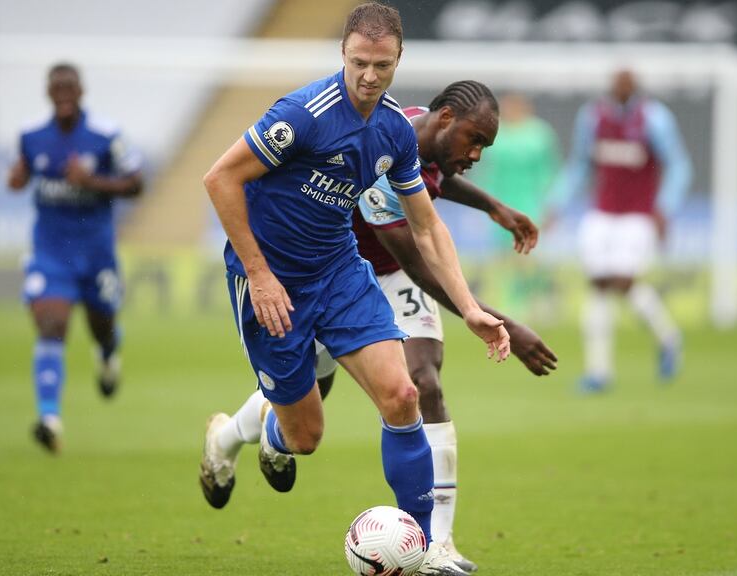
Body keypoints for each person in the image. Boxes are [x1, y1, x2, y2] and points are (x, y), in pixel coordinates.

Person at [199, 5, 509, 575]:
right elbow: (220, 178)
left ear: (398, 60)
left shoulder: (392, 128)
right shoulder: (303, 114)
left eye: (382, 65)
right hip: (273, 283)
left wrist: (469, 309)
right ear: (343, 54)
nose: (369, 76)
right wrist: (260, 274)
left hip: (339, 271)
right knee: (307, 435)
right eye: (359, 63)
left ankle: (419, 550)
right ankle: (239, 433)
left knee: (404, 396)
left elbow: (426, 224)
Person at [7, 63, 143, 454]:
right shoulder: (31, 135)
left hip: (96, 252)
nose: (64, 92)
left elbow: (137, 183)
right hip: (50, 252)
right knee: (51, 325)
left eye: (70, 86)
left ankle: (107, 352)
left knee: (101, 325)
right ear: (48, 92)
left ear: (81, 91)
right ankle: (49, 419)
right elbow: (22, 172)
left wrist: (93, 182)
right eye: (57, 87)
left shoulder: (106, 135)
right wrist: (17, 178)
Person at [554, 69, 691, 393]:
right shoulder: (593, 116)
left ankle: (668, 337)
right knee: (598, 285)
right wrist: (557, 202)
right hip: (601, 213)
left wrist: (665, 208)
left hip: (638, 216)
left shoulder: (654, 119)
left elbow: (679, 165)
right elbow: (579, 163)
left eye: (626, 84)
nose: (620, 88)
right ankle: (598, 372)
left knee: (624, 281)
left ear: (635, 87)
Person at [472, 93, 560, 321]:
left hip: (530, 203)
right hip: (501, 202)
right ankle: (514, 303)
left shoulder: (539, 134)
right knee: (506, 257)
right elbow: (486, 172)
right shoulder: (496, 136)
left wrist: (550, 204)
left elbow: (548, 172)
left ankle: (540, 298)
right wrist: (482, 201)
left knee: (529, 255)